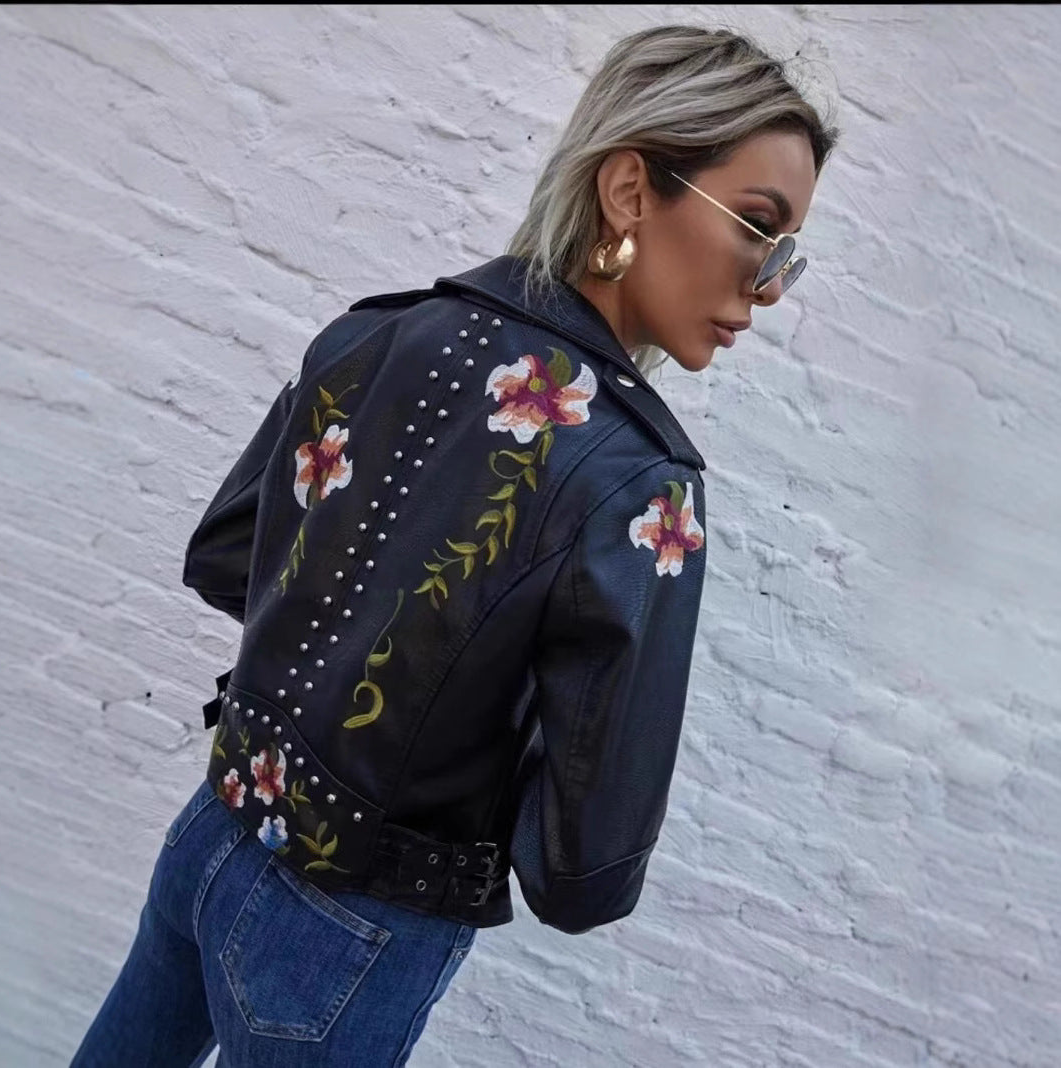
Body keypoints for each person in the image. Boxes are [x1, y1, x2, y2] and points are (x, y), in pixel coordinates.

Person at [71, 23, 837, 1068]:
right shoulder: (636, 482)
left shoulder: (380, 332)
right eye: (758, 228)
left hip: (211, 834)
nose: (771, 286)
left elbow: (225, 555)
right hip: (354, 929)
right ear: (628, 191)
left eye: (787, 251)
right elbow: (585, 872)